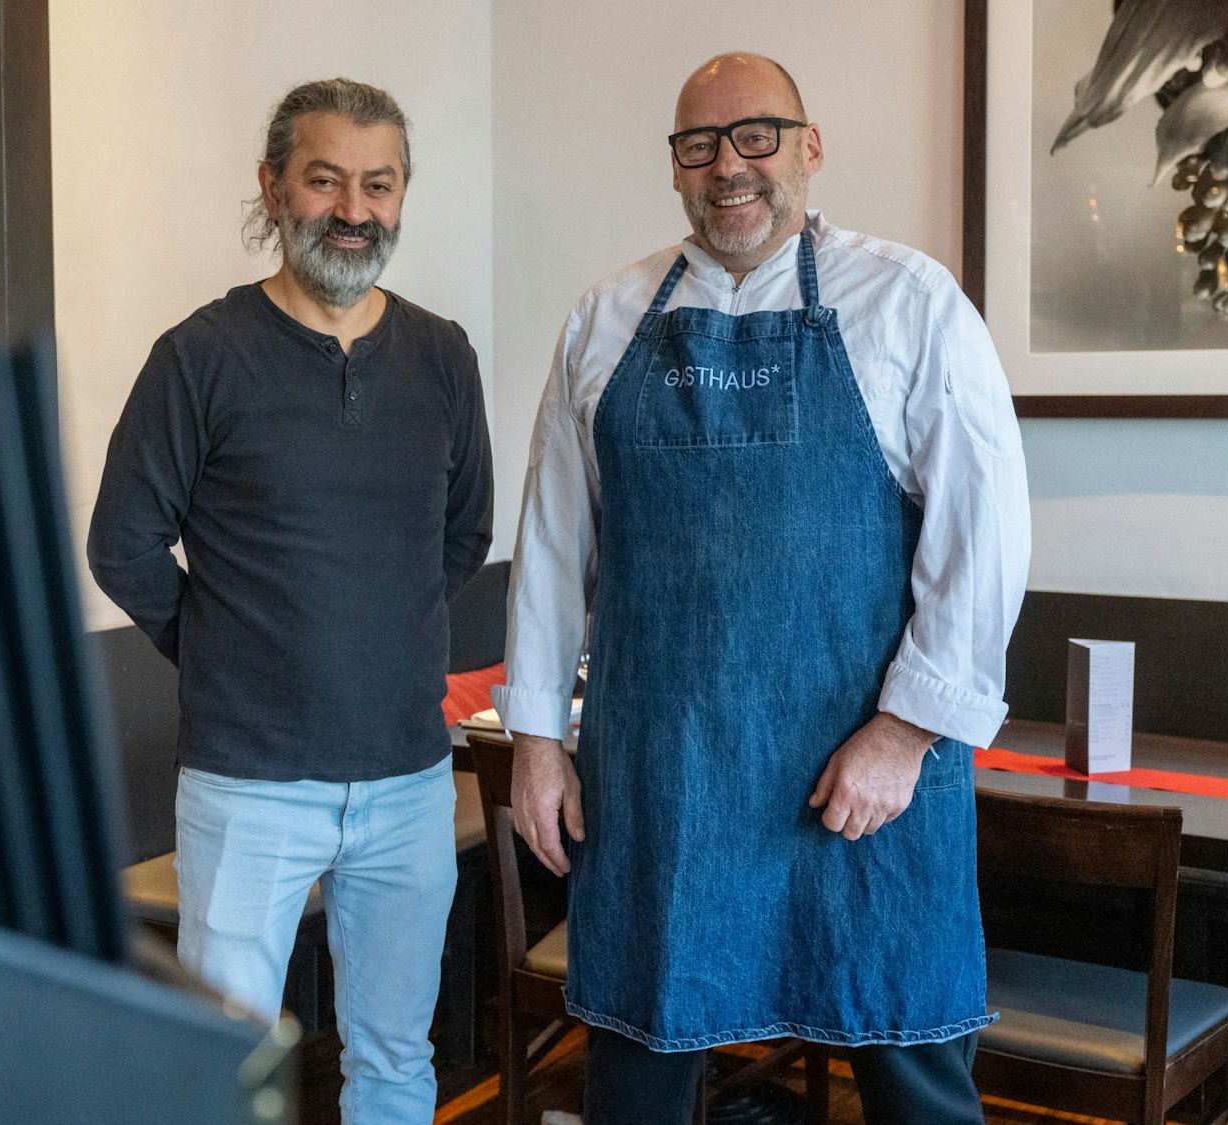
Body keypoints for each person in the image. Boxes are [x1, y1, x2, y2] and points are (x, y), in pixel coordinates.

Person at [495, 53, 1030, 1125]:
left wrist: (905, 734)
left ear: (808, 147)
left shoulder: (910, 302)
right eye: (698, 145)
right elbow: (553, 544)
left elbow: (986, 540)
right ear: (676, 168)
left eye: (755, 137)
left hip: (859, 776)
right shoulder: (603, 319)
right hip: (664, 771)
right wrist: (537, 740)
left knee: (910, 1067)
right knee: (639, 1068)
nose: (727, 167)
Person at [87, 77, 493, 1124]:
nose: (352, 210)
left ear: (401, 196)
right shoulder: (200, 356)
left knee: (397, 1059)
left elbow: (463, 535)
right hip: (247, 783)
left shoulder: (441, 354)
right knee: (222, 1071)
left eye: (377, 184)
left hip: (410, 776)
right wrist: (231, 650)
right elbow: (121, 543)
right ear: (273, 190)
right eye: (324, 181)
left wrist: (373, 638)